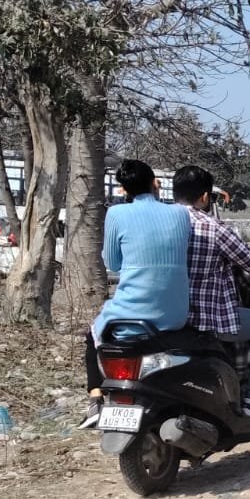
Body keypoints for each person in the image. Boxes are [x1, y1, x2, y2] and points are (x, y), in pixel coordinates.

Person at [83, 160, 192, 427]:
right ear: (155, 183)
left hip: (130, 315)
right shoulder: (180, 214)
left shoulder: (116, 214)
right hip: (175, 314)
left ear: (123, 189)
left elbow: (112, 263)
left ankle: (95, 399)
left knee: (92, 334)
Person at [172, 166, 250, 420]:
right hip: (208, 319)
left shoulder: (161, 224)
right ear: (204, 197)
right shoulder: (213, 228)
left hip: (170, 317)